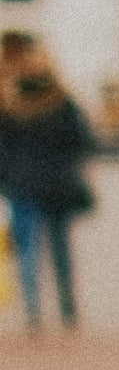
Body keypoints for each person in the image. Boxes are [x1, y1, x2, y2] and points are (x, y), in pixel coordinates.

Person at [0, 51, 95, 330]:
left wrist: (6, 179)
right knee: (60, 248)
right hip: (58, 183)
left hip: (21, 185)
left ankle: (33, 311)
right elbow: (81, 139)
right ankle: (67, 307)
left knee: (28, 249)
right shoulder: (62, 102)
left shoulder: (9, 106)